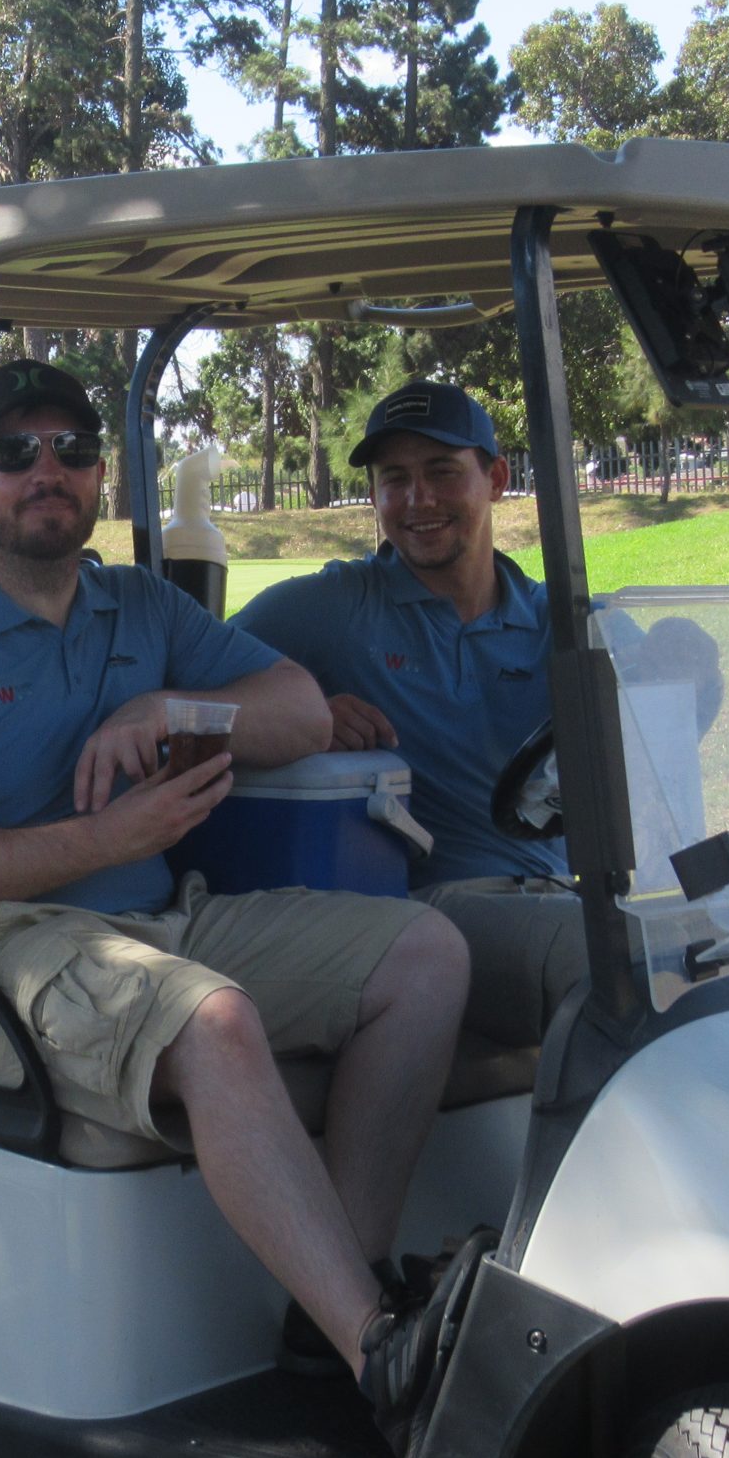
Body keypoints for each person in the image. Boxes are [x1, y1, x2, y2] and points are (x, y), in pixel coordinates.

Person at [0, 357, 475, 1458]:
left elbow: (298, 711)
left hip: (153, 925)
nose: (49, 470)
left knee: (424, 955)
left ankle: (337, 1313)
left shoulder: (139, 609)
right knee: (213, 1021)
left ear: (101, 476)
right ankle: (386, 1354)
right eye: (17, 452)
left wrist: (167, 706)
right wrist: (104, 841)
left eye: (74, 450)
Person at [235, 379, 585, 1051]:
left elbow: (663, 715)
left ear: (496, 479)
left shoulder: (555, 618)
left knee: (713, 942)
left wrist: (684, 658)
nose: (418, 499)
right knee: (612, 960)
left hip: (560, 889)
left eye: (442, 472)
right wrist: (304, 713)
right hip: (429, 911)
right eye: (394, 479)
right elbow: (188, 684)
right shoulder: (334, 607)